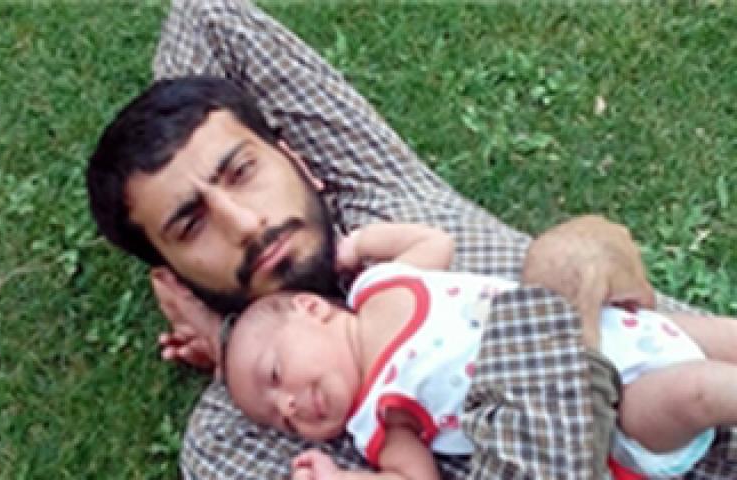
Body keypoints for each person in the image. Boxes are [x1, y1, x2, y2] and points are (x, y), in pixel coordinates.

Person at [87, 1, 736, 477]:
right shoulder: (245, 431)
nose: (246, 223)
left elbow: (206, 17)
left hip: (679, 345)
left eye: (241, 171)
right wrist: (561, 286)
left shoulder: (375, 200)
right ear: (171, 275)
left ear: (299, 159)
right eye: (190, 225)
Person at [222, 222, 737, 479]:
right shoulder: (376, 417)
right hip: (616, 413)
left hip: (620, 328)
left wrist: (361, 243)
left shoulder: (379, 286)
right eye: (282, 421)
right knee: (697, 392)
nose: (289, 406)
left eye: (276, 375)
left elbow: (435, 242)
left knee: (717, 337)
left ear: (312, 308)